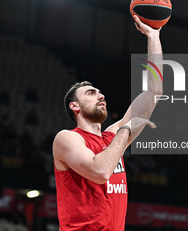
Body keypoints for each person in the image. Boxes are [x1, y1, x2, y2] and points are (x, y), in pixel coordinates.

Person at [52, 15, 163, 230]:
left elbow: (154, 92)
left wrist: (153, 36)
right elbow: (100, 171)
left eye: (101, 93)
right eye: (92, 93)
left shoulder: (111, 137)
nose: (101, 96)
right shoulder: (67, 138)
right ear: (75, 106)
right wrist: (126, 130)